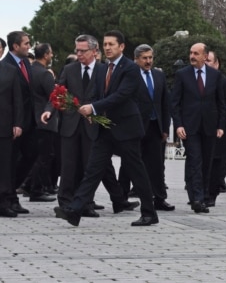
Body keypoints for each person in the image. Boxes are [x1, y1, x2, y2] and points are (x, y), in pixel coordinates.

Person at [53, 30, 158, 227]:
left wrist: (93, 108)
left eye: (112, 44)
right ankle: (75, 210)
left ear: (122, 47)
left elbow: (121, 95)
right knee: (93, 169)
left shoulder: (130, 68)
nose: (108, 48)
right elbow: (97, 94)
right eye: (105, 44)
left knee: (137, 170)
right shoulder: (103, 69)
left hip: (126, 128)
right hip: (105, 128)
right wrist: (92, 113)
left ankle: (149, 212)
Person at [42, 34, 136, 217]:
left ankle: (85, 204)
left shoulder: (104, 70)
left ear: (94, 51)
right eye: (77, 50)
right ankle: (65, 204)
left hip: (93, 126)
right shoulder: (69, 69)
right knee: (68, 167)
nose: (79, 54)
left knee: (89, 167)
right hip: (70, 125)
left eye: (83, 51)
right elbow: (58, 92)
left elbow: (109, 97)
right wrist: (49, 110)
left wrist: (98, 113)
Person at [171, 43, 226, 214]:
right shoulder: (182, 75)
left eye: (196, 53)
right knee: (195, 160)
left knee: (206, 162)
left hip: (209, 126)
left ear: (205, 56)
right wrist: (178, 124)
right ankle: (197, 199)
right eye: (191, 53)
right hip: (190, 127)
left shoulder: (215, 75)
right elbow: (175, 103)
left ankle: (202, 195)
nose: (192, 56)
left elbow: (221, 103)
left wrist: (221, 125)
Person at [118, 44, 174, 211]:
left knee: (157, 165)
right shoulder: (129, 76)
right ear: (136, 60)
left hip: (155, 127)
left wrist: (165, 128)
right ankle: (121, 198)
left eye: (150, 57)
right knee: (129, 163)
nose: (148, 61)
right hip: (135, 126)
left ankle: (159, 198)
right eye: (144, 58)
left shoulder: (158, 75)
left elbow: (165, 103)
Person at [3, 31, 37, 214]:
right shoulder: (5, 66)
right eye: (26, 43)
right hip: (12, 123)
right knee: (9, 161)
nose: (28, 46)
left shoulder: (26, 63)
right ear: (15, 46)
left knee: (32, 154)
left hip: (29, 121)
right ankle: (9, 199)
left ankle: (12, 190)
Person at [205, 50, 226, 206]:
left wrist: (221, 112)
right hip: (201, 126)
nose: (206, 64)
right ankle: (198, 193)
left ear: (216, 64)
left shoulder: (224, 82)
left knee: (218, 159)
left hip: (219, 126)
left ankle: (212, 192)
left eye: (209, 61)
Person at [28, 43, 58, 202]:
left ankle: (29, 186)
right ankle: (37, 190)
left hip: (30, 120)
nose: (52, 56)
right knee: (44, 156)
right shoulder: (45, 74)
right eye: (51, 53)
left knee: (32, 156)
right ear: (46, 55)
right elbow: (53, 98)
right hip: (45, 121)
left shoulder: (28, 71)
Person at [0, 60, 23, 217]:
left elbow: (17, 99)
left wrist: (17, 123)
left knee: (5, 166)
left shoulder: (10, 70)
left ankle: (3, 202)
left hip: (5, 125)